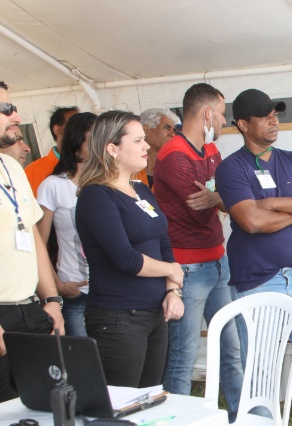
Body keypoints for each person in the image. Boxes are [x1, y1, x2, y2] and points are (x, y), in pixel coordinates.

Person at [216, 88, 292, 426]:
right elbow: (251, 222)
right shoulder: (231, 169)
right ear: (242, 124)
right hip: (257, 282)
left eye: (275, 113)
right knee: (262, 375)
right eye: (265, 115)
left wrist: (270, 204)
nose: (274, 119)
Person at [75, 110, 184, 387]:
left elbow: (163, 240)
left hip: (155, 312)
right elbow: (126, 259)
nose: (147, 146)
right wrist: (172, 270)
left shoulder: (141, 189)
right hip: (119, 318)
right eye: (137, 141)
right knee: (121, 406)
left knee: (150, 399)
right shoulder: (95, 195)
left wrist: (173, 289)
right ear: (112, 148)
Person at [154, 84, 243, 421]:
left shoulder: (209, 151)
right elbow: (198, 209)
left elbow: (222, 196)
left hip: (217, 262)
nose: (224, 121)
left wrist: (219, 197)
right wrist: (222, 197)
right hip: (186, 270)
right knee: (183, 357)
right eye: (221, 113)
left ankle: (239, 416)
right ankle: (175, 418)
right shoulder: (174, 155)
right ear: (207, 113)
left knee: (231, 350)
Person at [0, 80, 64, 402]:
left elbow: (33, 237)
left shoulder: (11, 166)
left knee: (41, 406)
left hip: (31, 310)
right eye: (6, 109)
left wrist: (52, 300)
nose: (16, 115)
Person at [36, 112, 97, 336]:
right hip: (75, 290)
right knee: (81, 359)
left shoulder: (107, 183)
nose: (99, 144)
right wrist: (58, 286)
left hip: (110, 290)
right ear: (75, 142)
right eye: (92, 139)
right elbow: (39, 244)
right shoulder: (53, 185)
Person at [25, 106, 79, 195]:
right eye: (75, 125)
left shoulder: (94, 164)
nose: (81, 130)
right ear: (58, 130)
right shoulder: (33, 172)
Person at [139, 108, 180, 189]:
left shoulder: (176, 167)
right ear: (146, 130)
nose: (172, 134)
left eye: (174, 130)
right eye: (167, 127)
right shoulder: (130, 166)